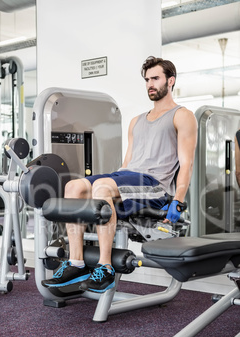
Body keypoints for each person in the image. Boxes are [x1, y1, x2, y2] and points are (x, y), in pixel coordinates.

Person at [42, 56, 198, 293]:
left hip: (155, 184)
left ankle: (105, 267)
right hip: (130, 178)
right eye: (147, 80)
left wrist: (178, 199)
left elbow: (186, 164)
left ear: (171, 80)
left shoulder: (182, 115)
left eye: (155, 78)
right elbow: (127, 164)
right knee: (73, 187)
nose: (150, 84)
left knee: (103, 187)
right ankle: (77, 262)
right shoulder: (136, 121)